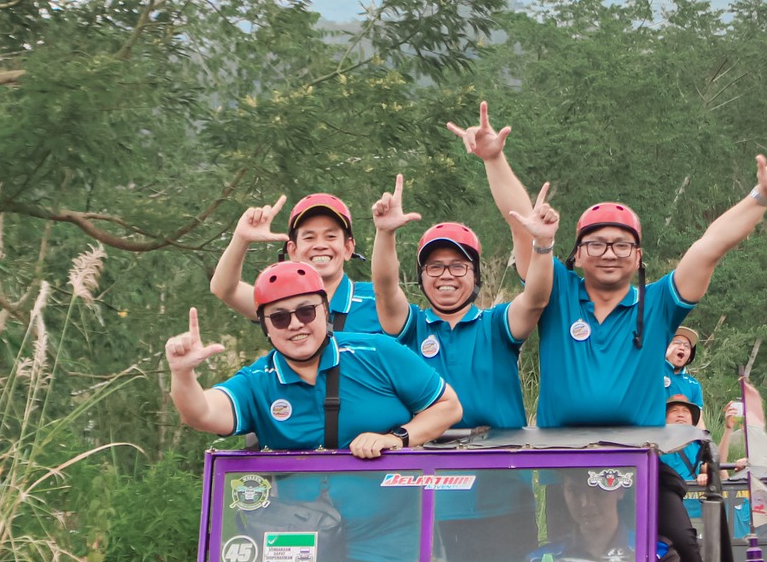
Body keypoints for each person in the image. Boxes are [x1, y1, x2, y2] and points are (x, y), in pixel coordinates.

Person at [453, 100, 767, 562]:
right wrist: (493, 158)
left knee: (686, 548)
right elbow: (524, 225)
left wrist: (763, 194)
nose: (609, 252)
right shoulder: (556, 292)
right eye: (596, 244)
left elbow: (711, 245)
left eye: (623, 245)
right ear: (575, 255)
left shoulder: (659, 303)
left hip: (642, 462)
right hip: (567, 466)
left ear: (639, 258)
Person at [167, 261, 462, 455]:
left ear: (325, 312)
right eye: (280, 318)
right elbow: (201, 413)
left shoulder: (377, 352)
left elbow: (447, 406)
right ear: (265, 326)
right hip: (298, 535)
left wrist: (397, 438)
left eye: (306, 311)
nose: (295, 324)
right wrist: (182, 374)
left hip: (391, 526)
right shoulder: (258, 382)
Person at [368, 173, 558, 430]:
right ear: (421, 276)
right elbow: (385, 289)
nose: (446, 275)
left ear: (475, 275)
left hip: (500, 461)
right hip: (425, 460)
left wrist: (543, 243)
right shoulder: (411, 327)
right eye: (434, 267)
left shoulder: (497, 326)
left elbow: (536, 299)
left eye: (458, 266)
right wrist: (385, 233)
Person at [210, 193, 382, 333]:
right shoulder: (281, 302)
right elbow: (224, 289)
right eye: (309, 237)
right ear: (293, 251)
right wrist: (241, 239)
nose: (320, 245)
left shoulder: (378, 299)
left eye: (330, 236)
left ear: (348, 248)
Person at [663, 325, 704, 411]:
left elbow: (698, 420)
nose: (682, 347)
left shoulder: (693, 384)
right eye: (677, 343)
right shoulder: (652, 370)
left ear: (689, 356)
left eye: (686, 346)